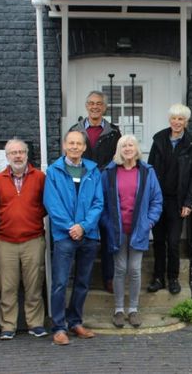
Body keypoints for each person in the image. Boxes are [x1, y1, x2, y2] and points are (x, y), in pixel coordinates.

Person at [44, 130, 104, 345]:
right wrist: (71, 227)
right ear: (64, 145)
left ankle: (75, 322)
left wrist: (84, 226)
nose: (75, 147)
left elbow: (99, 203)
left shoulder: (93, 170)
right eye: (71, 143)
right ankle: (59, 327)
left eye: (79, 144)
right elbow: (52, 204)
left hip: (88, 235)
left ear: (85, 147)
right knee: (60, 283)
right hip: (65, 235)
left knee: (82, 282)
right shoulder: (54, 171)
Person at [0, 138, 48, 340]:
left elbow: (46, 204)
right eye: (13, 152)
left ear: (27, 154)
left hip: (33, 239)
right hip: (6, 242)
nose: (18, 155)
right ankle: (8, 325)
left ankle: (35, 323)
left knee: (34, 285)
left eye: (21, 151)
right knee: (7, 285)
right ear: (7, 156)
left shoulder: (39, 177)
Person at [101, 135, 163, 328]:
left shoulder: (147, 172)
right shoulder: (109, 172)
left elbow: (156, 200)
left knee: (135, 270)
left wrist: (149, 222)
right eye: (123, 146)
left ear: (136, 149)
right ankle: (119, 310)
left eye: (131, 145)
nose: (127, 148)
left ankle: (133, 309)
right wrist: (107, 223)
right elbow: (100, 202)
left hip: (139, 229)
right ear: (119, 150)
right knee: (120, 269)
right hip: (117, 230)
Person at [69, 90, 122, 293]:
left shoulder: (114, 132)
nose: (95, 107)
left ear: (104, 107)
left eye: (99, 104)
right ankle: (83, 278)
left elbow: (118, 160)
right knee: (83, 233)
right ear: (86, 106)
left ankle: (109, 278)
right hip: (81, 190)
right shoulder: (75, 130)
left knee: (108, 234)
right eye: (91, 103)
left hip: (106, 190)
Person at [147, 104, 192, 295]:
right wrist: (148, 199)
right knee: (159, 241)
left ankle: (173, 278)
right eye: (174, 118)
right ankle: (158, 278)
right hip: (157, 200)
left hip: (177, 202)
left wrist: (188, 202)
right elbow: (149, 171)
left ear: (186, 122)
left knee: (173, 242)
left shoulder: (191, 143)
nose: (177, 122)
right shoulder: (159, 139)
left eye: (181, 119)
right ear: (169, 120)